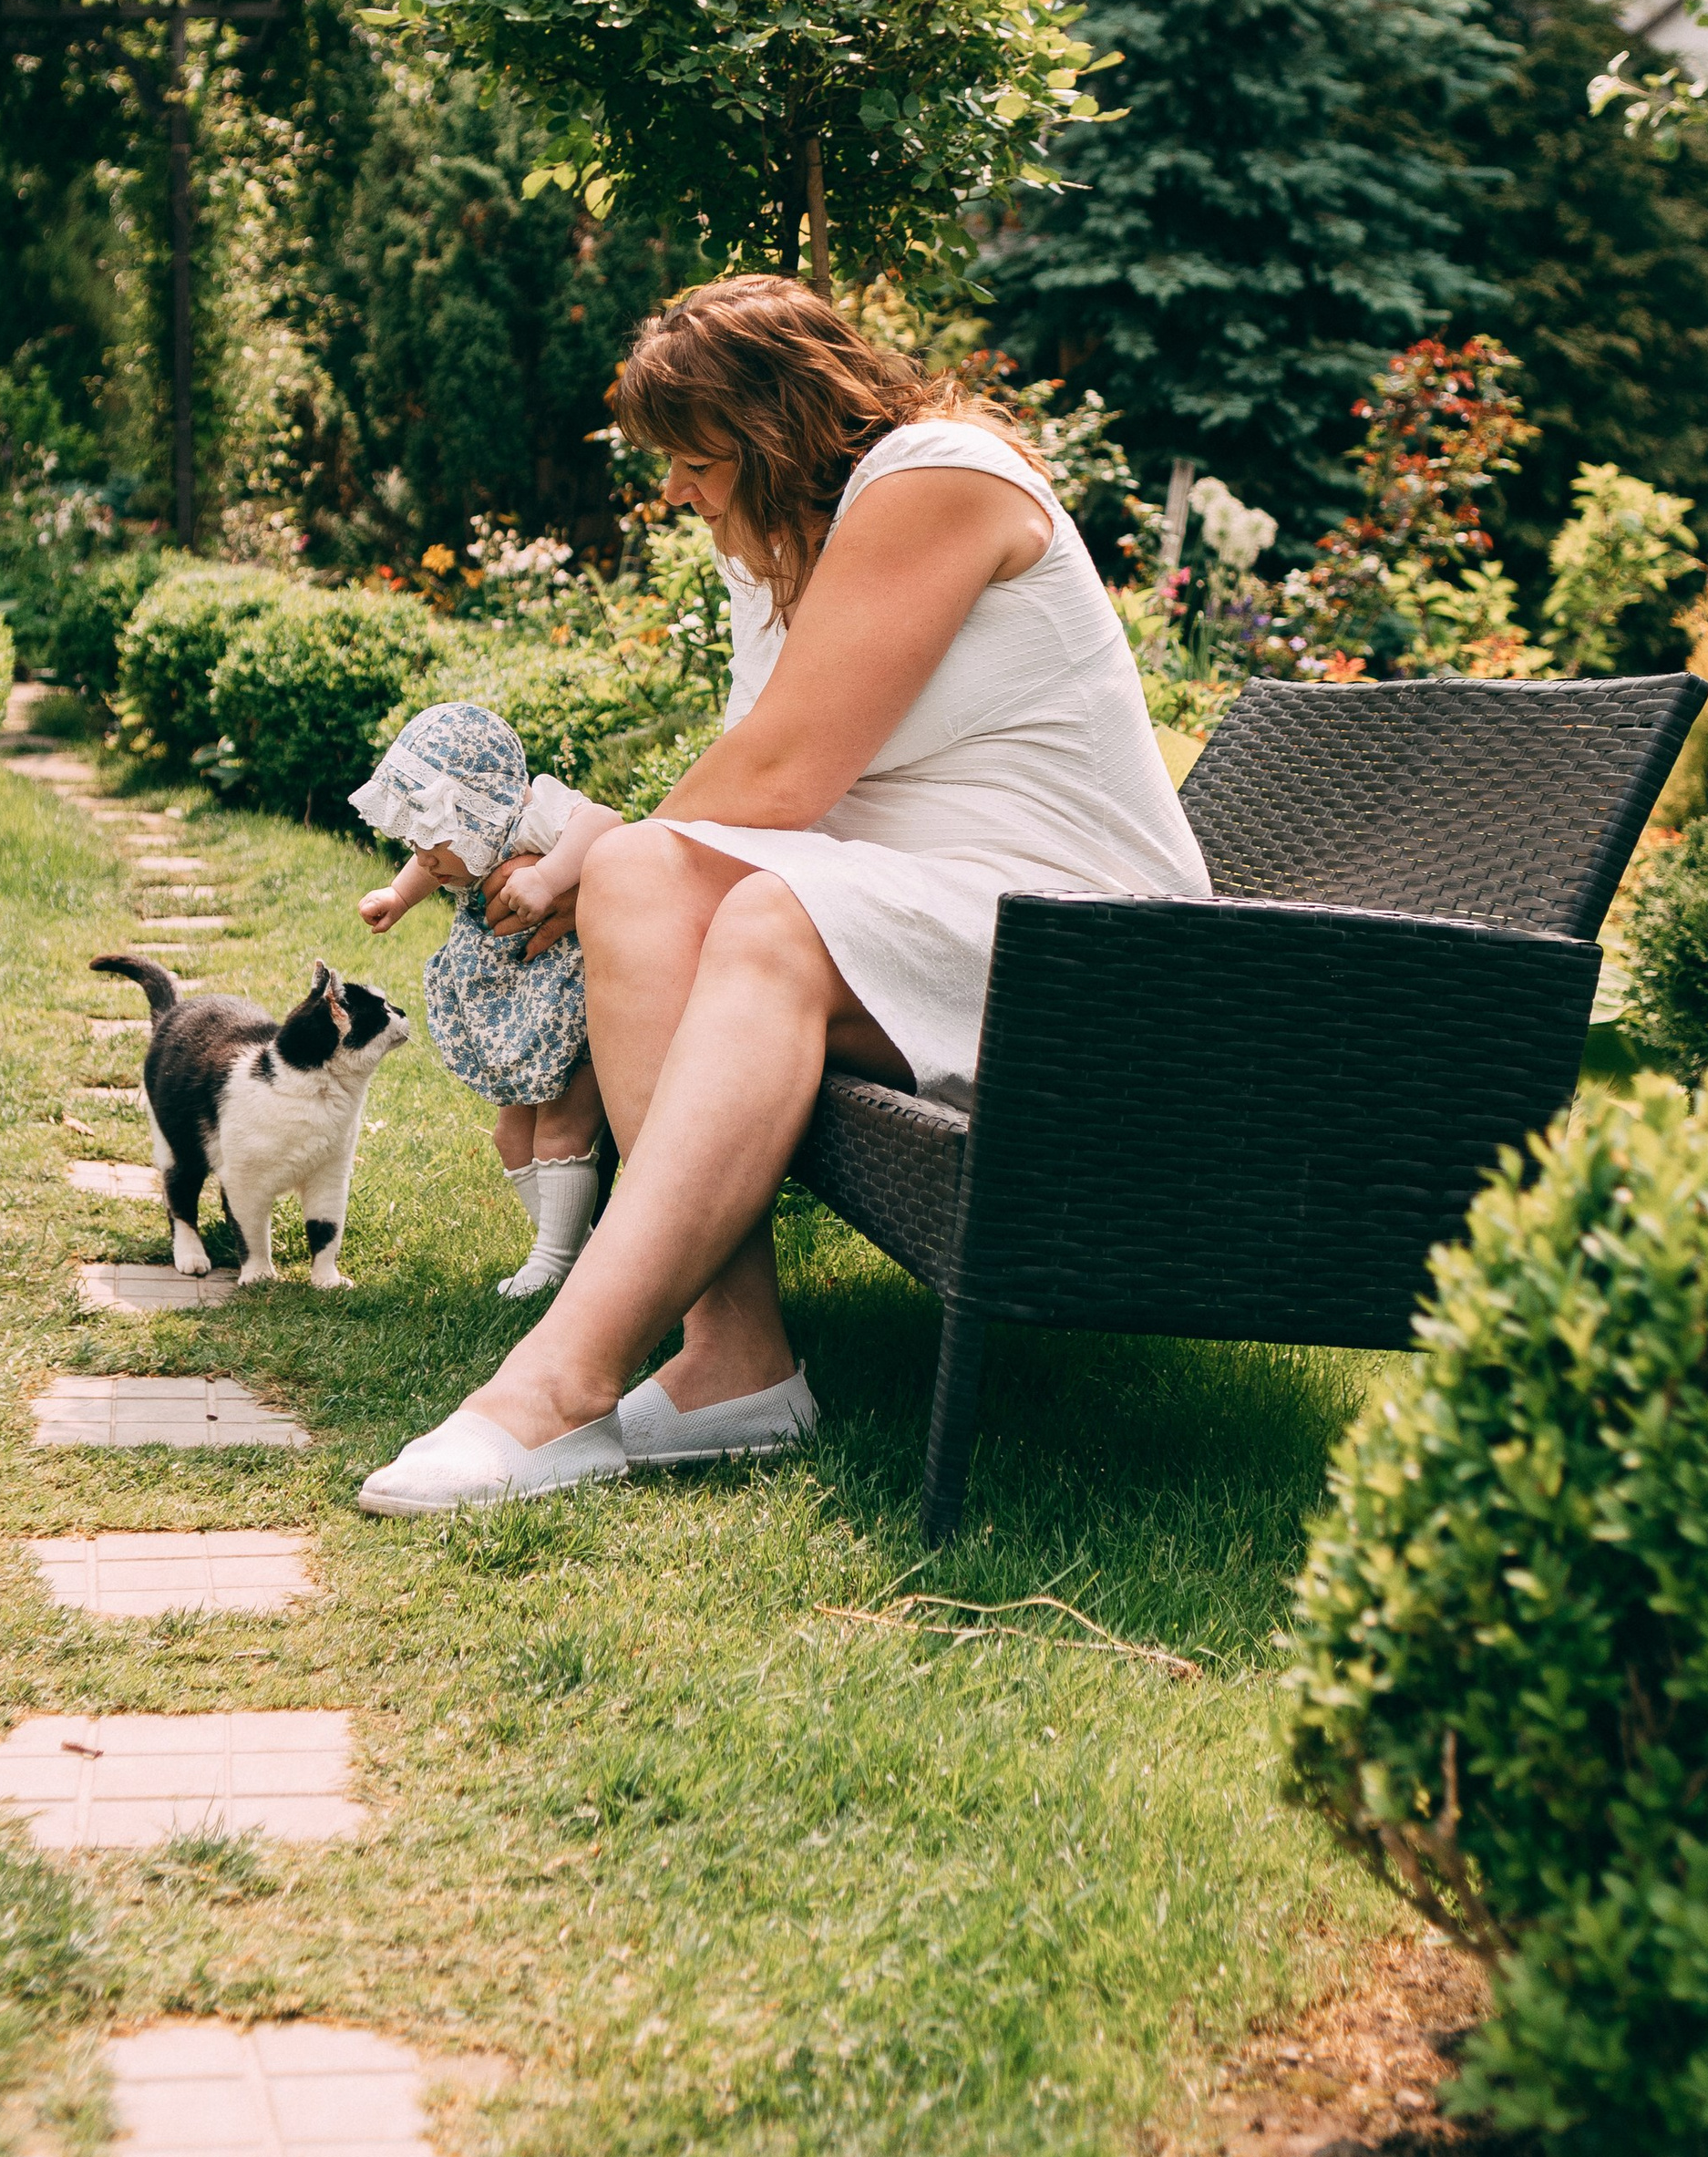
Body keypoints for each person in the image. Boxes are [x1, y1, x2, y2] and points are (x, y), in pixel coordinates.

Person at [357, 276, 1209, 1515]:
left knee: (756, 912)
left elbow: (785, 773)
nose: (674, 494)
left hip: (1095, 948)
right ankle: (733, 1363)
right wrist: (599, 858)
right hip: (945, 924)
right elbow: (721, 810)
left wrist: (585, 852)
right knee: (647, 877)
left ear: (767, 428)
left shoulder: (938, 477)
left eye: (689, 458)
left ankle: (556, 1387)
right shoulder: (784, 566)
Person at [354, 701, 621, 1295]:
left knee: (560, 1133)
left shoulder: (531, 818)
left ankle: (554, 1265)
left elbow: (606, 823)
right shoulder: (463, 844)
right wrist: (398, 896)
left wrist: (549, 877)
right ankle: (578, 1255)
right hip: (523, 1010)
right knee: (510, 1137)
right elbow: (432, 860)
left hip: (575, 1006)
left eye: (434, 843)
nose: (424, 858)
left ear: (479, 813)